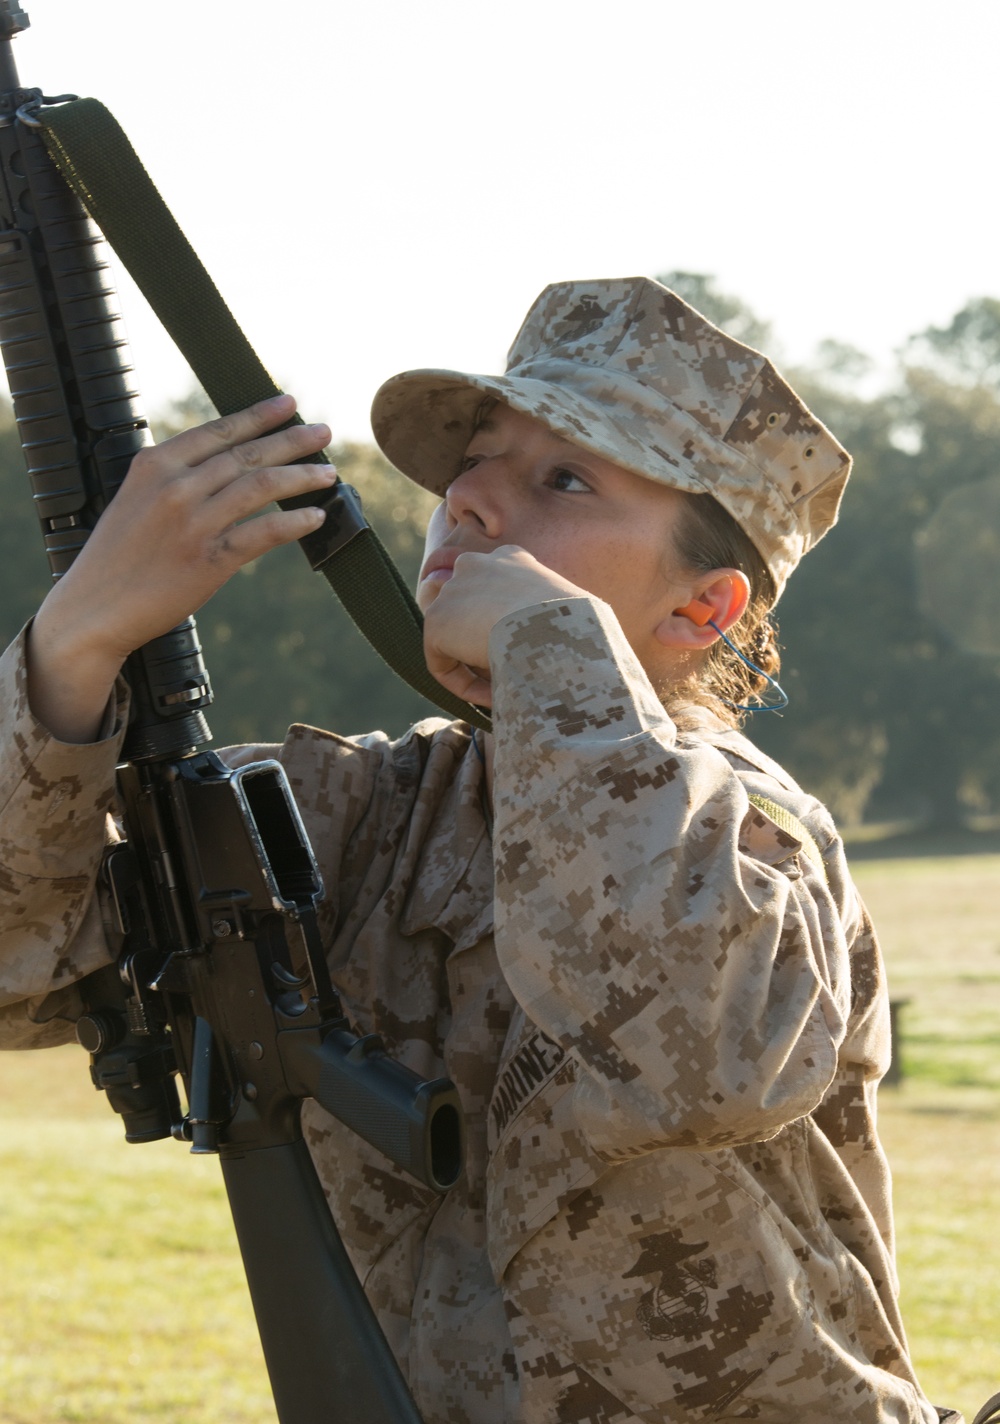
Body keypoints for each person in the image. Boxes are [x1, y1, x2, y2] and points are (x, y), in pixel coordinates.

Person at [0, 277, 959, 1422]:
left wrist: (546, 644)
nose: (469, 500)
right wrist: (75, 644)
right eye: (475, 461)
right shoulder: (361, 814)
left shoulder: (752, 829)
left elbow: (694, 1048)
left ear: (702, 611)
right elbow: (23, 967)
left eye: (563, 479)